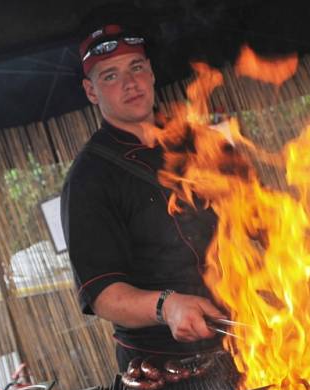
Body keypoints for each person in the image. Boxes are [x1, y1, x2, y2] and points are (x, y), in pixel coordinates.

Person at [61, 23, 225, 371]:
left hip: (240, 337)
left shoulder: (202, 143)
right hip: (162, 363)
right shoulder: (89, 178)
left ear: (150, 72)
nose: (129, 83)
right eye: (110, 76)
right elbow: (103, 294)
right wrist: (168, 306)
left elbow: (258, 217)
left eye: (136, 67)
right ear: (91, 92)